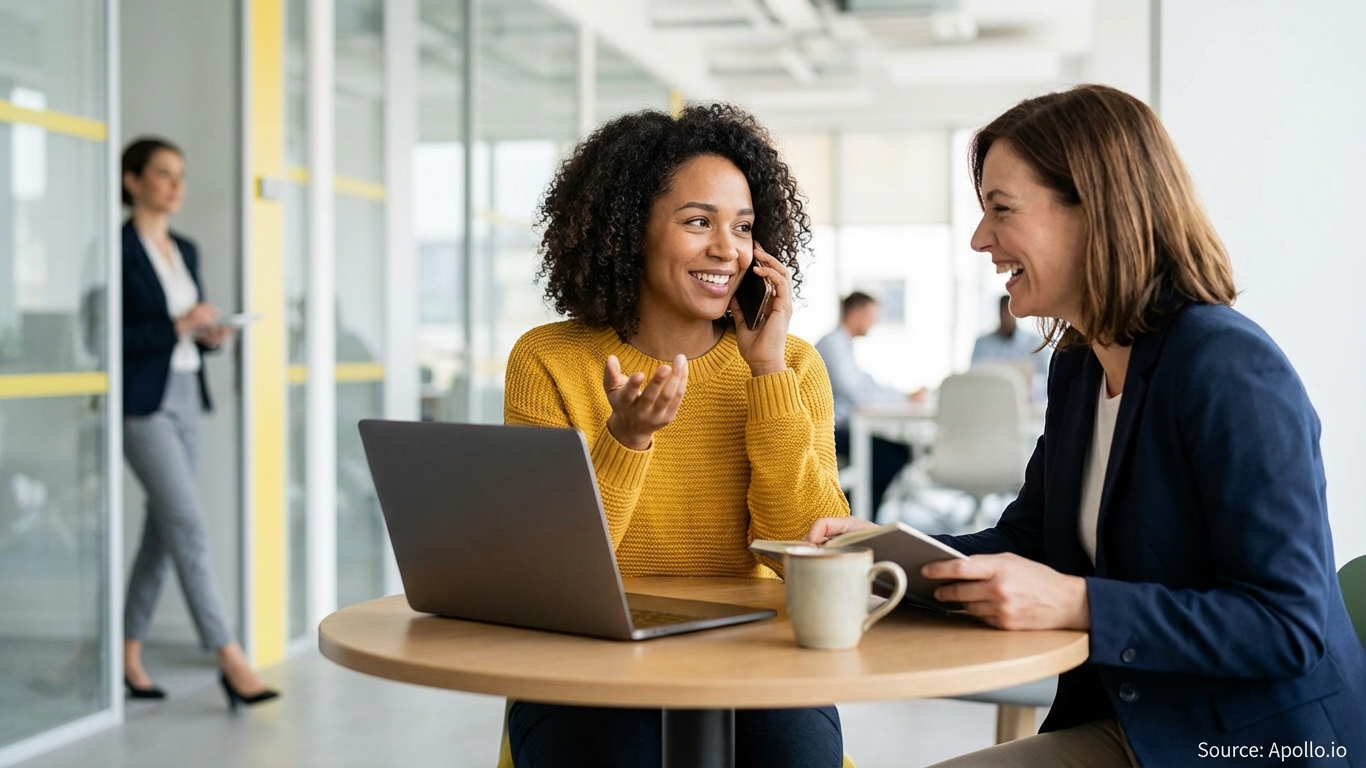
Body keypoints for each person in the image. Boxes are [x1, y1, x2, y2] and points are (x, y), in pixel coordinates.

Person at [806, 85, 1365, 767]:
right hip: (1142, 723)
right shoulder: (1078, 367)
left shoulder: (1228, 367)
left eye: (1000, 210)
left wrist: (1080, 604)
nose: (981, 239)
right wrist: (889, 549)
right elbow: (1030, 541)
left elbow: (1287, 625)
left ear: (1096, 211)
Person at [501, 104, 848, 768]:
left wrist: (767, 373)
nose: (728, 249)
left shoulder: (793, 363)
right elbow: (548, 573)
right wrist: (624, 441)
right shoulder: (547, 359)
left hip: (756, 648)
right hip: (587, 654)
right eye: (699, 222)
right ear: (631, 230)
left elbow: (808, 554)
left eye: (743, 227)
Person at [120, 137, 277, 708]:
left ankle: (127, 655)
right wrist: (177, 325)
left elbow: (185, 331)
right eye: (162, 174)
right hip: (144, 404)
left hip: (189, 397)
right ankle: (229, 657)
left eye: (179, 174)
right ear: (132, 180)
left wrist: (209, 333)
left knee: (159, 535)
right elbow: (113, 338)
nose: (175, 185)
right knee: (187, 525)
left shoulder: (183, 249)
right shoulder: (118, 249)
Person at [815, 292, 913, 516]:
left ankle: (861, 514)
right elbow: (854, 391)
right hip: (833, 431)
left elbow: (867, 385)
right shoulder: (833, 344)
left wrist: (904, 396)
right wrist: (902, 398)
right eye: (872, 316)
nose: (874, 323)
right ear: (857, 314)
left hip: (844, 428)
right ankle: (857, 515)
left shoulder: (843, 344)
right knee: (892, 456)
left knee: (894, 453)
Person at [971, 293, 1050, 397]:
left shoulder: (1034, 343)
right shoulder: (983, 342)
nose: (1006, 316)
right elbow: (974, 375)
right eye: (1003, 312)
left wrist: (1032, 386)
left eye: (1009, 313)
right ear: (998, 313)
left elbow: (1044, 379)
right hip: (989, 398)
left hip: (1025, 401)